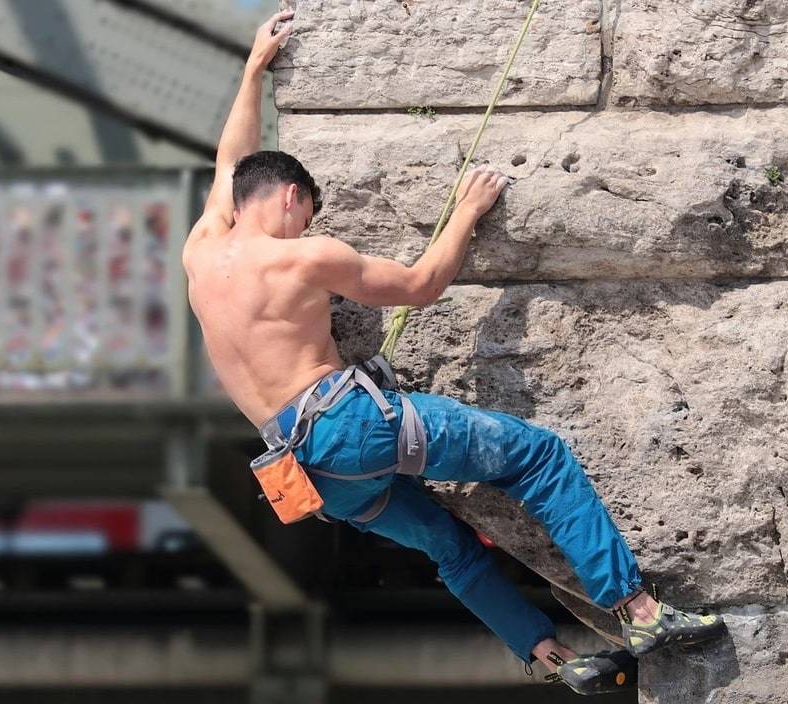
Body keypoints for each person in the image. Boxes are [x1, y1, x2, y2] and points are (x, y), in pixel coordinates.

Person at [182, 11, 725, 695]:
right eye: (308, 212)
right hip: (348, 431)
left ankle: (555, 659)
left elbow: (230, 159)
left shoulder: (201, 249)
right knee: (538, 456)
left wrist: (253, 69)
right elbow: (420, 286)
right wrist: (466, 210)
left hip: (304, 474)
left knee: (449, 547)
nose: (308, 226)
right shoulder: (304, 257)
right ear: (293, 197)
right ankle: (639, 611)